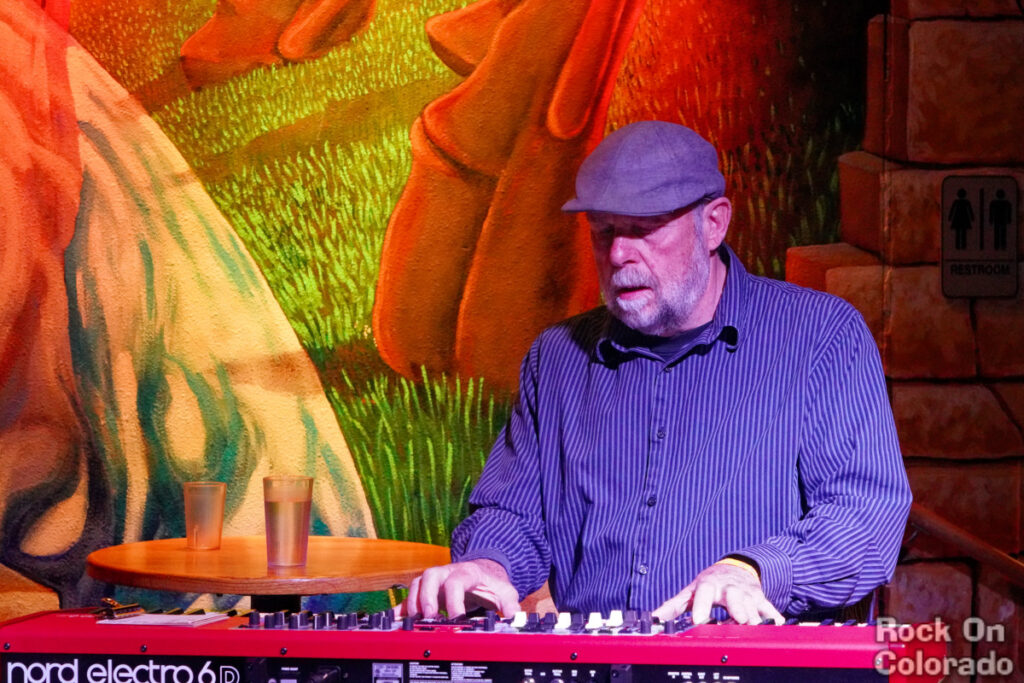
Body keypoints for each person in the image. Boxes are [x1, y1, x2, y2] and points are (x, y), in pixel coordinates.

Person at [402, 121, 912, 625]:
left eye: (643, 229)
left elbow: (865, 514)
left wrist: (752, 571)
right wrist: (487, 564)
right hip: (596, 660)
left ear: (714, 224)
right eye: (603, 231)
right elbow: (513, 513)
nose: (618, 253)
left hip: (751, 660)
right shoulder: (556, 358)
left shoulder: (821, 336)